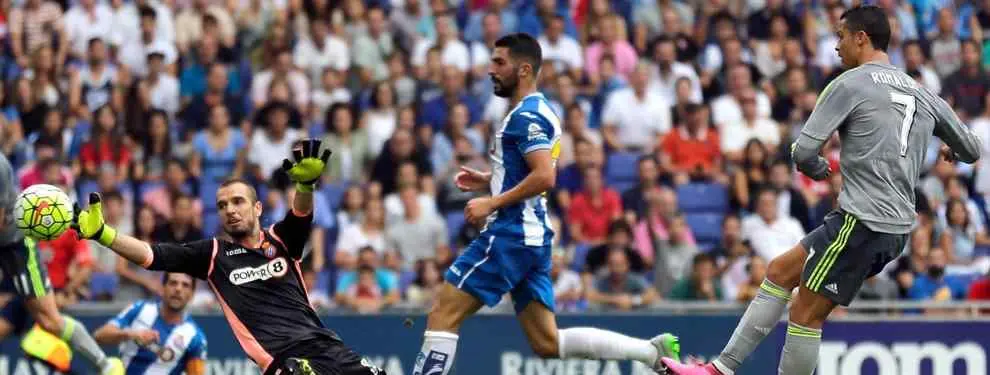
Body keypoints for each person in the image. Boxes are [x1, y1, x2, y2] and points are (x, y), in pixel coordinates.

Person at [661, 6, 982, 375]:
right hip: (891, 227)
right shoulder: (924, 94)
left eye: (841, 36)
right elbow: (972, 149)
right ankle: (719, 369)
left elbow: (803, 151)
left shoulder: (850, 83)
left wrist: (819, 169)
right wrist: (950, 149)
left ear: (862, 37)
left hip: (864, 221)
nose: (836, 46)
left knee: (804, 312)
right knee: (781, 270)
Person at [410, 33, 680, 375]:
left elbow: (544, 177)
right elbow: (531, 170)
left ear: (523, 70)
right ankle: (649, 352)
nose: (490, 69)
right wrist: (490, 178)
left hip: (511, 234)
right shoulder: (538, 110)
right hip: (531, 236)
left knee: (443, 313)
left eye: (499, 63)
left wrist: (492, 201)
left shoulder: (527, 118)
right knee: (547, 343)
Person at [73, 139, 384, 375]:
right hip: (284, 363)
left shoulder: (281, 238)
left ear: (257, 208)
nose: (230, 210)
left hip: (329, 347)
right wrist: (103, 234)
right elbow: (151, 255)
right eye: (222, 206)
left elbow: (301, 212)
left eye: (238, 202)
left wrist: (304, 185)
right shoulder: (213, 254)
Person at [0, 153, 124, 375]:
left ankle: (106, 366)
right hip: (15, 284)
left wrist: (68, 290)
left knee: (50, 321)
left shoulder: (0, 167)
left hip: (16, 245)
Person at [93, 273, 207, 374]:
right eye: (173, 283)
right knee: (113, 365)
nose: (178, 289)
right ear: (163, 288)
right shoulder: (140, 309)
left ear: (192, 294)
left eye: (185, 285)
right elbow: (99, 336)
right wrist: (132, 335)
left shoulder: (195, 337)